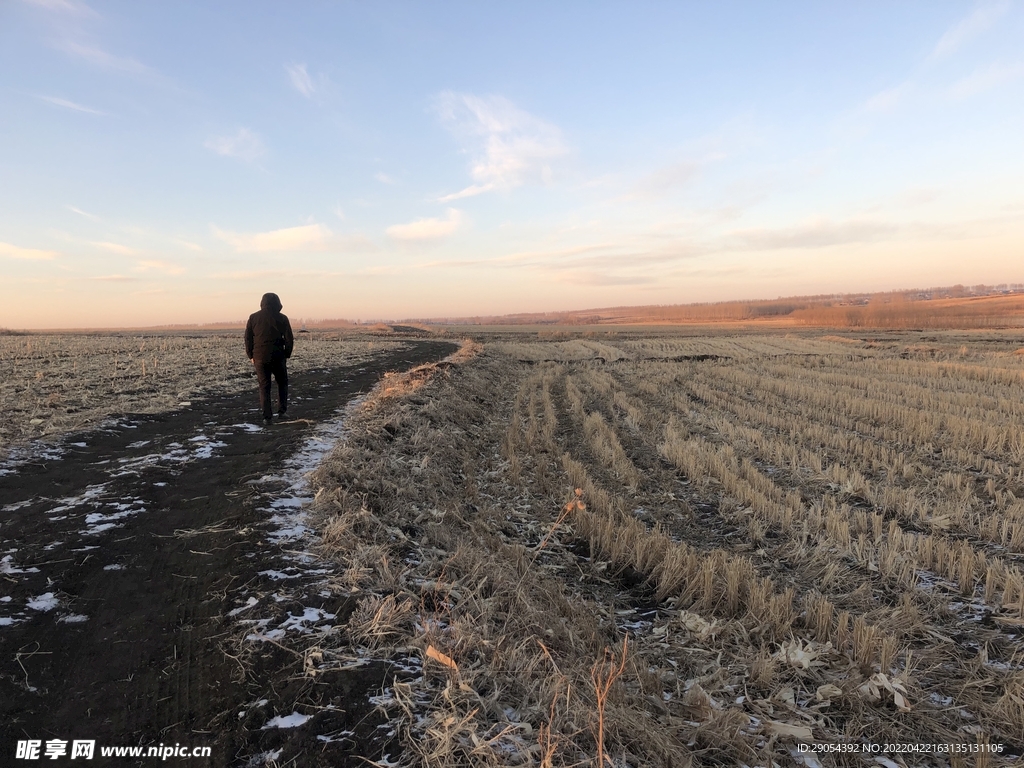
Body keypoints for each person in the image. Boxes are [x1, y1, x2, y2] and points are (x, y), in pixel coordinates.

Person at [244, 292, 294, 424]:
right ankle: (282, 412)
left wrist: (251, 355)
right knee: (282, 383)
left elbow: (248, 338)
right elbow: (289, 339)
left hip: (260, 357)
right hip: (278, 355)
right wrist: (287, 354)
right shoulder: (282, 318)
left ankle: (267, 417)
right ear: (278, 303)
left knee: (264, 386)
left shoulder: (253, 318)